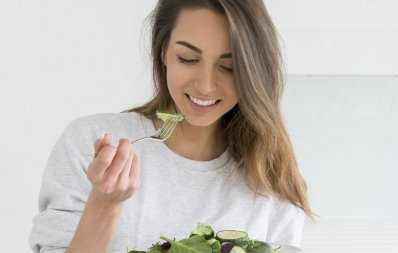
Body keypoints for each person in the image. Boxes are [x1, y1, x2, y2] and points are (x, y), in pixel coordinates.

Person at [30, 0, 313, 252]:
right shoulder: (89, 141)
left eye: (229, 66)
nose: (205, 85)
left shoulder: (269, 174)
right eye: (188, 59)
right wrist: (105, 205)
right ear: (164, 51)